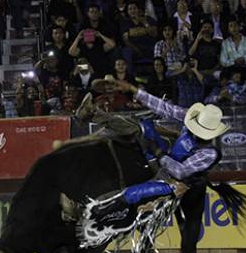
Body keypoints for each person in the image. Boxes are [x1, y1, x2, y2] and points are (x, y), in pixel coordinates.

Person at [89, 78, 228, 211]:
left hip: (174, 182)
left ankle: (109, 208)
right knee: (145, 126)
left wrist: (158, 153)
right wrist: (133, 89)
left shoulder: (210, 153)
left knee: (133, 193)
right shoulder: (191, 117)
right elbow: (165, 108)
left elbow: (180, 171)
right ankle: (99, 118)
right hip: (164, 158)